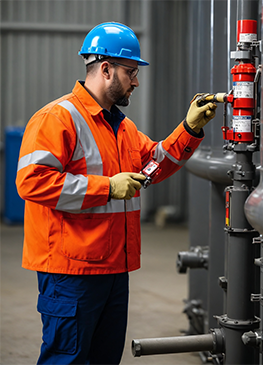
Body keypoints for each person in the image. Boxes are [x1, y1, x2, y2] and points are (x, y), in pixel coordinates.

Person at [16, 22, 217, 365]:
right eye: (131, 72)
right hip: (71, 272)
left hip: (112, 269)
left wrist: (190, 128)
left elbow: (156, 161)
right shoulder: (57, 118)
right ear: (106, 69)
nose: (136, 81)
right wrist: (107, 188)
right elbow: (31, 181)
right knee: (68, 360)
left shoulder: (121, 127)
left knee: (104, 358)